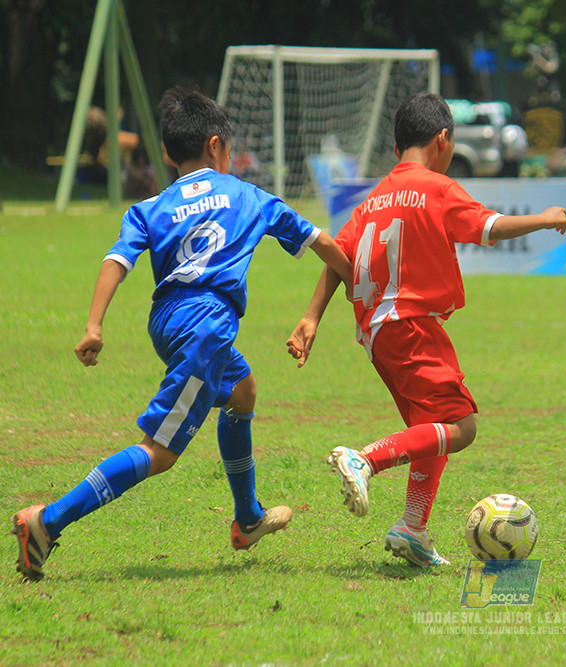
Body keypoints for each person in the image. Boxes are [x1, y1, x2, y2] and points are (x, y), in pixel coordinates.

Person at [11, 87, 352, 581]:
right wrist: (352, 294)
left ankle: (248, 519)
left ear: (169, 155)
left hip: (167, 322)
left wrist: (94, 325)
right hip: (206, 329)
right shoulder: (250, 196)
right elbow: (326, 245)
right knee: (161, 451)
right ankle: (46, 521)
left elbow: (117, 260)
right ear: (217, 146)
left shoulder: (151, 206)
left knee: (243, 390)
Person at [286, 93, 566, 567]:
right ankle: (367, 460)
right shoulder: (436, 187)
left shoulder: (373, 198)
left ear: (398, 148)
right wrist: (544, 218)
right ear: (443, 139)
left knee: (431, 428)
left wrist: (312, 315)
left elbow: (339, 256)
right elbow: (489, 227)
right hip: (412, 323)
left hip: (378, 332)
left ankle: (412, 529)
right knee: (461, 428)